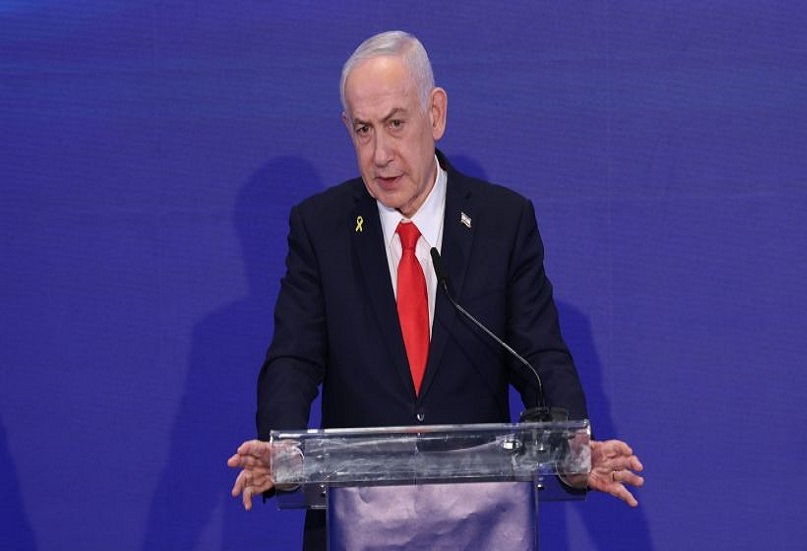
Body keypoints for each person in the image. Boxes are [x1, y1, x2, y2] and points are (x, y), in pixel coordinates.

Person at [228, 29, 644, 547]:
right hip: (357, 526)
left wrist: (572, 450)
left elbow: (541, 358)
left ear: (436, 114)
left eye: (395, 124)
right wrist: (283, 446)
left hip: (481, 526)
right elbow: (293, 359)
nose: (380, 154)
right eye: (363, 130)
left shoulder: (502, 222)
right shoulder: (320, 229)